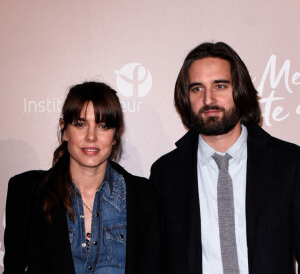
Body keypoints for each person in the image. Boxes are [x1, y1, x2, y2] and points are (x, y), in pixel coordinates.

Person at [150, 42, 300, 274]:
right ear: (186, 97)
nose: (209, 99)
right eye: (197, 88)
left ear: (240, 90)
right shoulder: (166, 173)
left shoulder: (289, 164)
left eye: (220, 86)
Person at [4, 81, 165, 274]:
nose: (91, 136)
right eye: (80, 124)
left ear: (115, 135)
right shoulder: (26, 193)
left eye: (103, 126)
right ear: (64, 130)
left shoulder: (145, 197)